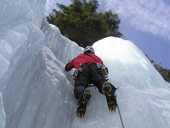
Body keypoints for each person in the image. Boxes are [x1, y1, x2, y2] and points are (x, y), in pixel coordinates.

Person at [65, 46, 117, 118]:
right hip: (95, 68)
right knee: (100, 81)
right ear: (92, 51)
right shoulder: (96, 57)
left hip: (82, 69)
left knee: (80, 84)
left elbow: (67, 67)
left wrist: (68, 64)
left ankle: (83, 93)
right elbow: (105, 69)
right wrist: (104, 75)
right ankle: (105, 87)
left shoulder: (79, 57)